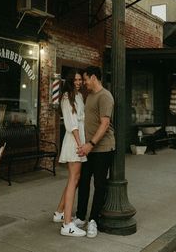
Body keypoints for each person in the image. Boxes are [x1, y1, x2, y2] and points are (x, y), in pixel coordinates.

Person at [75, 66, 115, 238]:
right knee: (83, 182)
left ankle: (93, 221)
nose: (84, 83)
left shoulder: (105, 96)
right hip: (89, 148)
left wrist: (90, 144)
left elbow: (104, 124)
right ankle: (80, 217)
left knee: (99, 185)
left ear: (93, 77)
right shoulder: (90, 96)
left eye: (85, 79)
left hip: (103, 148)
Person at [53, 69, 87, 237]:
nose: (78, 82)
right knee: (74, 178)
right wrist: (81, 144)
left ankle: (60, 212)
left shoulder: (79, 96)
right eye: (75, 79)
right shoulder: (67, 98)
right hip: (74, 141)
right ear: (69, 80)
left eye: (80, 79)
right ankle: (67, 224)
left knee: (74, 178)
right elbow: (72, 124)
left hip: (79, 139)